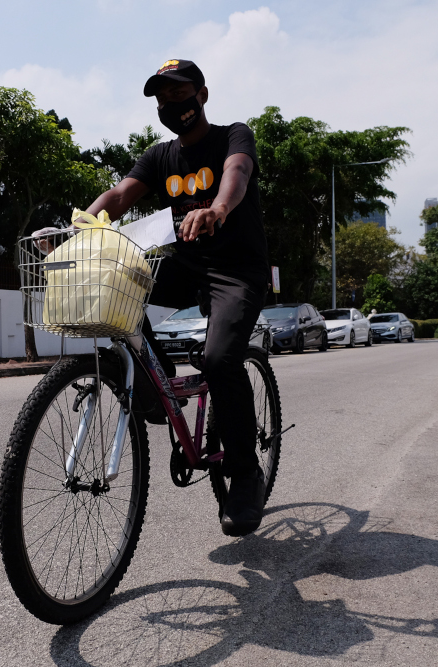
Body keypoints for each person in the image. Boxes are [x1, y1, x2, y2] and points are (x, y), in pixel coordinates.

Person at [80, 59, 270, 537]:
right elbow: (121, 194)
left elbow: (238, 174)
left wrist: (218, 209)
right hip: (187, 265)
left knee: (220, 360)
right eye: (162, 98)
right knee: (119, 295)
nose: (171, 105)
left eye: (180, 94)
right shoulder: (160, 156)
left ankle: (245, 474)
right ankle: (158, 388)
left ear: (201, 94)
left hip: (237, 270)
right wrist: (83, 223)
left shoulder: (233, 136)